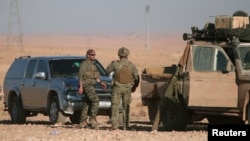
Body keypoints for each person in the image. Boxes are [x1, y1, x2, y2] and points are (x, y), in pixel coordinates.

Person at [106, 47, 139, 130]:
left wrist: (112, 63)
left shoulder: (115, 64)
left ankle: (114, 125)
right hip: (127, 88)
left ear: (119, 54)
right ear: (127, 55)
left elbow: (107, 71)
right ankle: (126, 126)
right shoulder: (131, 65)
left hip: (117, 88)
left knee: (115, 106)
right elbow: (137, 77)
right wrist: (134, 86)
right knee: (126, 106)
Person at [78, 49, 106, 129]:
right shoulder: (84, 64)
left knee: (87, 102)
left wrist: (101, 82)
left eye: (94, 55)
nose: (93, 56)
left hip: (91, 84)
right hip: (86, 85)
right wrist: (81, 87)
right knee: (95, 100)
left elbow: (95, 77)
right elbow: (80, 76)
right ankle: (92, 119)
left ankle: (83, 121)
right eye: (91, 55)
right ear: (87, 55)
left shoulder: (93, 65)